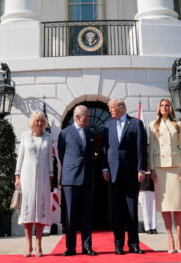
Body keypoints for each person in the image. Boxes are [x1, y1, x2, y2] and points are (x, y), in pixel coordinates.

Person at [102, 98, 149, 255]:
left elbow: (141, 147)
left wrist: (141, 169)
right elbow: (104, 148)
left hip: (131, 174)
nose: (110, 111)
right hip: (113, 174)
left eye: (111, 108)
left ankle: (134, 244)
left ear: (121, 107)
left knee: (131, 209)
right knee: (117, 210)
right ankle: (118, 244)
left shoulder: (136, 123)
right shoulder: (107, 126)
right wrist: (104, 168)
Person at [58, 105, 102, 256]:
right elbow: (61, 154)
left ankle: (86, 246)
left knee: (87, 214)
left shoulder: (89, 133)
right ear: (77, 117)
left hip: (87, 179)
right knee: (70, 215)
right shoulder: (65, 133)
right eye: (86, 116)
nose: (89, 118)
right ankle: (70, 247)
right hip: (70, 179)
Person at [149, 98, 181, 254]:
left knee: (177, 204)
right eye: (162, 106)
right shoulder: (153, 125)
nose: (164, 107)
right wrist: (151, 168)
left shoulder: (178, 125)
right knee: (164, 205)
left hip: (176, 166)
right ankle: (170, 237)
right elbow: (151, 148)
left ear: (170, 108)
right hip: (160, 168)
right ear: (159, 108)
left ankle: (179, 237)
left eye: (167, 105)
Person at [15, 111, 55, 257]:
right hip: (26, 176)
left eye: (41, 120)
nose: (39, 123)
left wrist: (51, 177)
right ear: (33, 121)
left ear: (44, 123)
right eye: (37, 120)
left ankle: (39, 245)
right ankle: (28, 245)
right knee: (28, 212)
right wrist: (17, 176)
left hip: (43, 177)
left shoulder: (48, 137)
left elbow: (50, 159)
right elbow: (20, 157)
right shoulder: (25, 136)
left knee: (40, 212)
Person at [137, 168, 157, 234]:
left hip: (152, 184)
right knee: (145, 208)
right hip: (143, 185)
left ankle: (153, 227)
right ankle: (147, 227)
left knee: (153, 207)